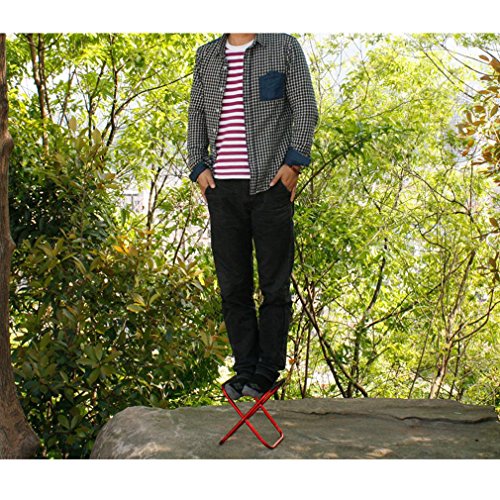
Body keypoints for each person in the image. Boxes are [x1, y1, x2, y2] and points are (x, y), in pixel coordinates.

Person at [187, 33, 318, 399]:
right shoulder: (207, 56)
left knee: (275, 285)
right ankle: (245, 367)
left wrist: (294, 164)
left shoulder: (283, 47)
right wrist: (198, 166)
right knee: (233, 286)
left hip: (270, 186)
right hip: (222, 190)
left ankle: (267, 369)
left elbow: (306, 108)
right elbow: (196, 114)